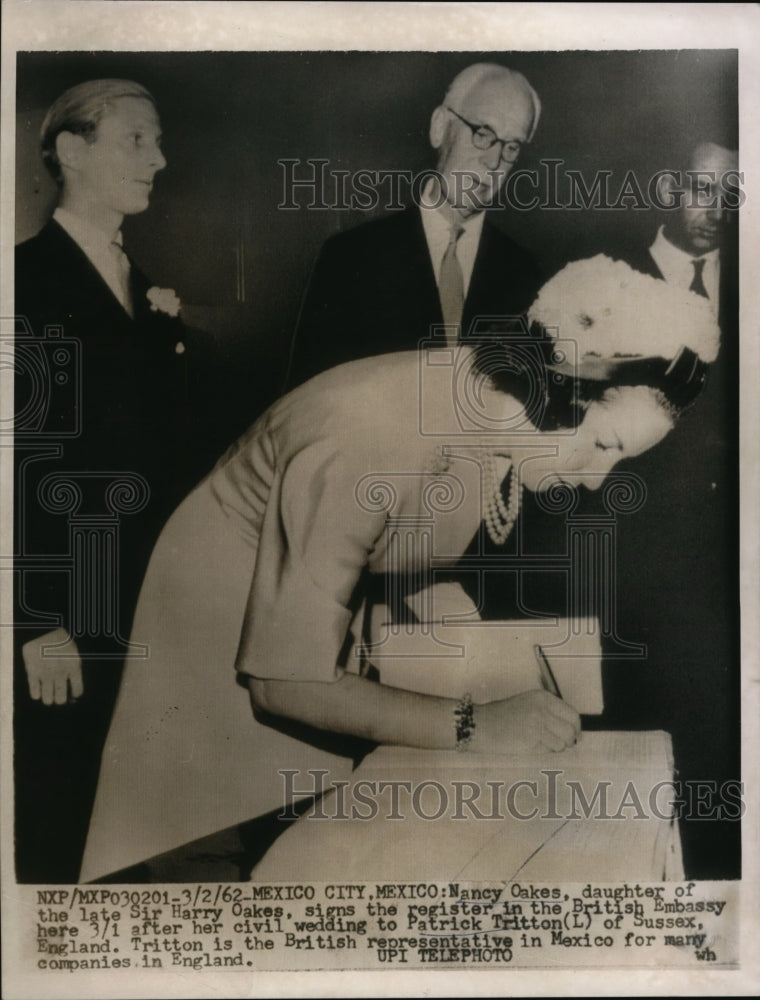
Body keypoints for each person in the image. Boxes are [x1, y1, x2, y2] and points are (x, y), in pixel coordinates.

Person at [80, 267, 718, 883]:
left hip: (309, 626)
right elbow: (283, 683)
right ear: (555, 391)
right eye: (605, 446)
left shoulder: (492, 406)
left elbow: (406, 546)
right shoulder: (363, 438)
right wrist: (476, 722)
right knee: (220, 860)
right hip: (214, 641)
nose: (594, 481)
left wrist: (489, 659)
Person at [14, 79, 214, 882]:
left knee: (119, 833)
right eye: (137, 139)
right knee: (55, 833)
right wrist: (34, 622)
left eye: (158, 142)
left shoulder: (142, 288)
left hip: (142, 607)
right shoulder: (23, 285)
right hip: (66, 620)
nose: (160, 159)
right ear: (71, 149)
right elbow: (15, 465)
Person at [605, 141, 740, 879]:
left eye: (732, 190)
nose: (715, 207)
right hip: (634, 570)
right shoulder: (601, 272)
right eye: (699, 187)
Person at [284, 62, 543, 389]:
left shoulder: (525, 274)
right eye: (482, 133)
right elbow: (303, 408)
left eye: (511, 147)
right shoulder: (349, 259)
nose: (493, 162)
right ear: (439, 127)